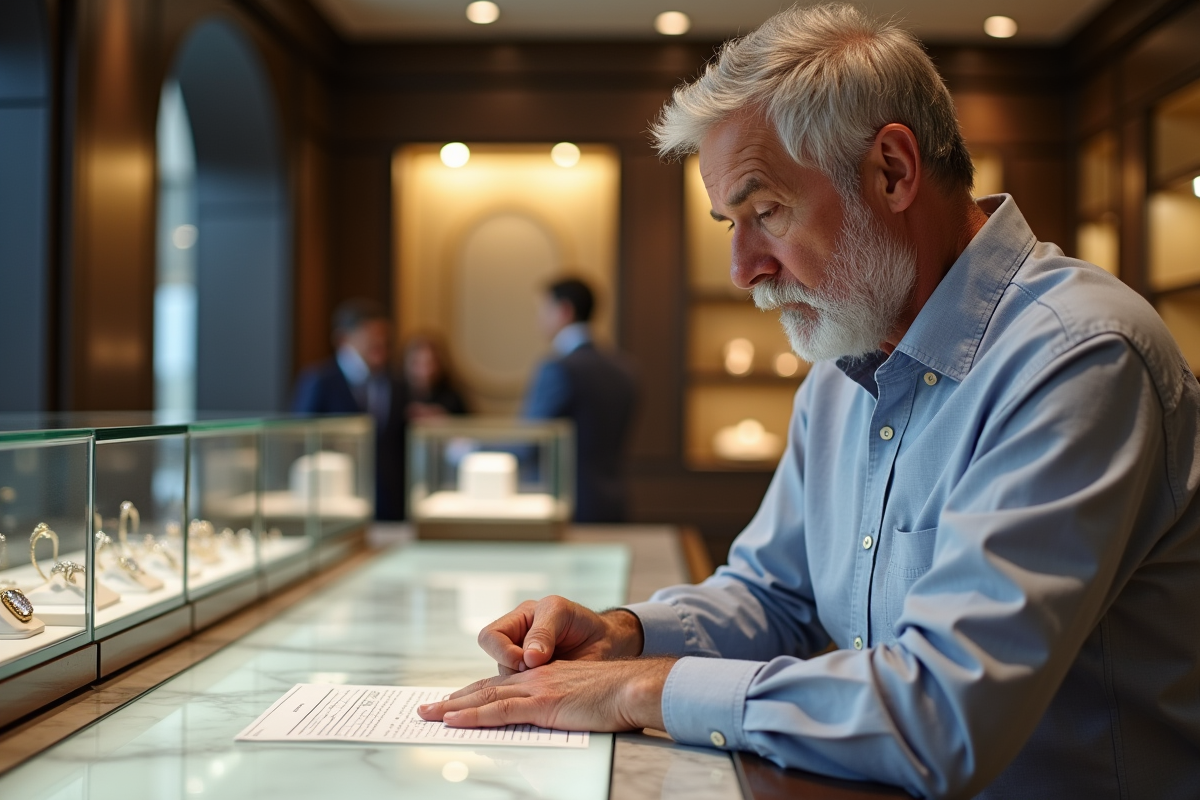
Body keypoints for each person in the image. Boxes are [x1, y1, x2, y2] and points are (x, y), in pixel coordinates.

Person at [417, 6, 1200, 798]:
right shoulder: (843, 365)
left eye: (765, 212)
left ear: (892, 171)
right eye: (729, 221)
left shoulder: (1078, 357)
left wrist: (635, 688)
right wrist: (622, 636)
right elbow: (775, 596)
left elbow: (945, 715)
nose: (742, 267)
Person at [522, 277, 637, 523]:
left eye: (544, 309)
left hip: (567, 506)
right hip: (613, 503)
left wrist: (467, 449)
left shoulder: (558, 368)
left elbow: (528, 442)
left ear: (564, 311)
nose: (539, 320)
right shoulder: (624, 368)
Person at [292, 299, 407, 520]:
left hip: (390, 509)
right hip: (335, 505)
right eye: (372, 337)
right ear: (344, 338)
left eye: (385, 338)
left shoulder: (397, 384)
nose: (381, 343)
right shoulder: (319, 382)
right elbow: (300, 442)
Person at [402, 333, 468, 420]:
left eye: (429, 363)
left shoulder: (452, 398)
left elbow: (463, 425)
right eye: (418, 363)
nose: (424, 371)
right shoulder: (397, 395)